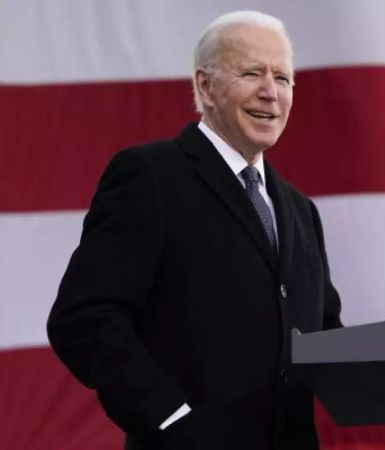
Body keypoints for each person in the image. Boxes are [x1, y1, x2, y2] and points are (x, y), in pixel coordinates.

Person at [46, 10, 342, 450]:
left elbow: (327, 338)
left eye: (282, 78)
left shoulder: (300, 210)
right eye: (251, 73)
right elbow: (83, 319)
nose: (270, 92)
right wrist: (171, 419)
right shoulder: (151, 177)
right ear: (205, 86)